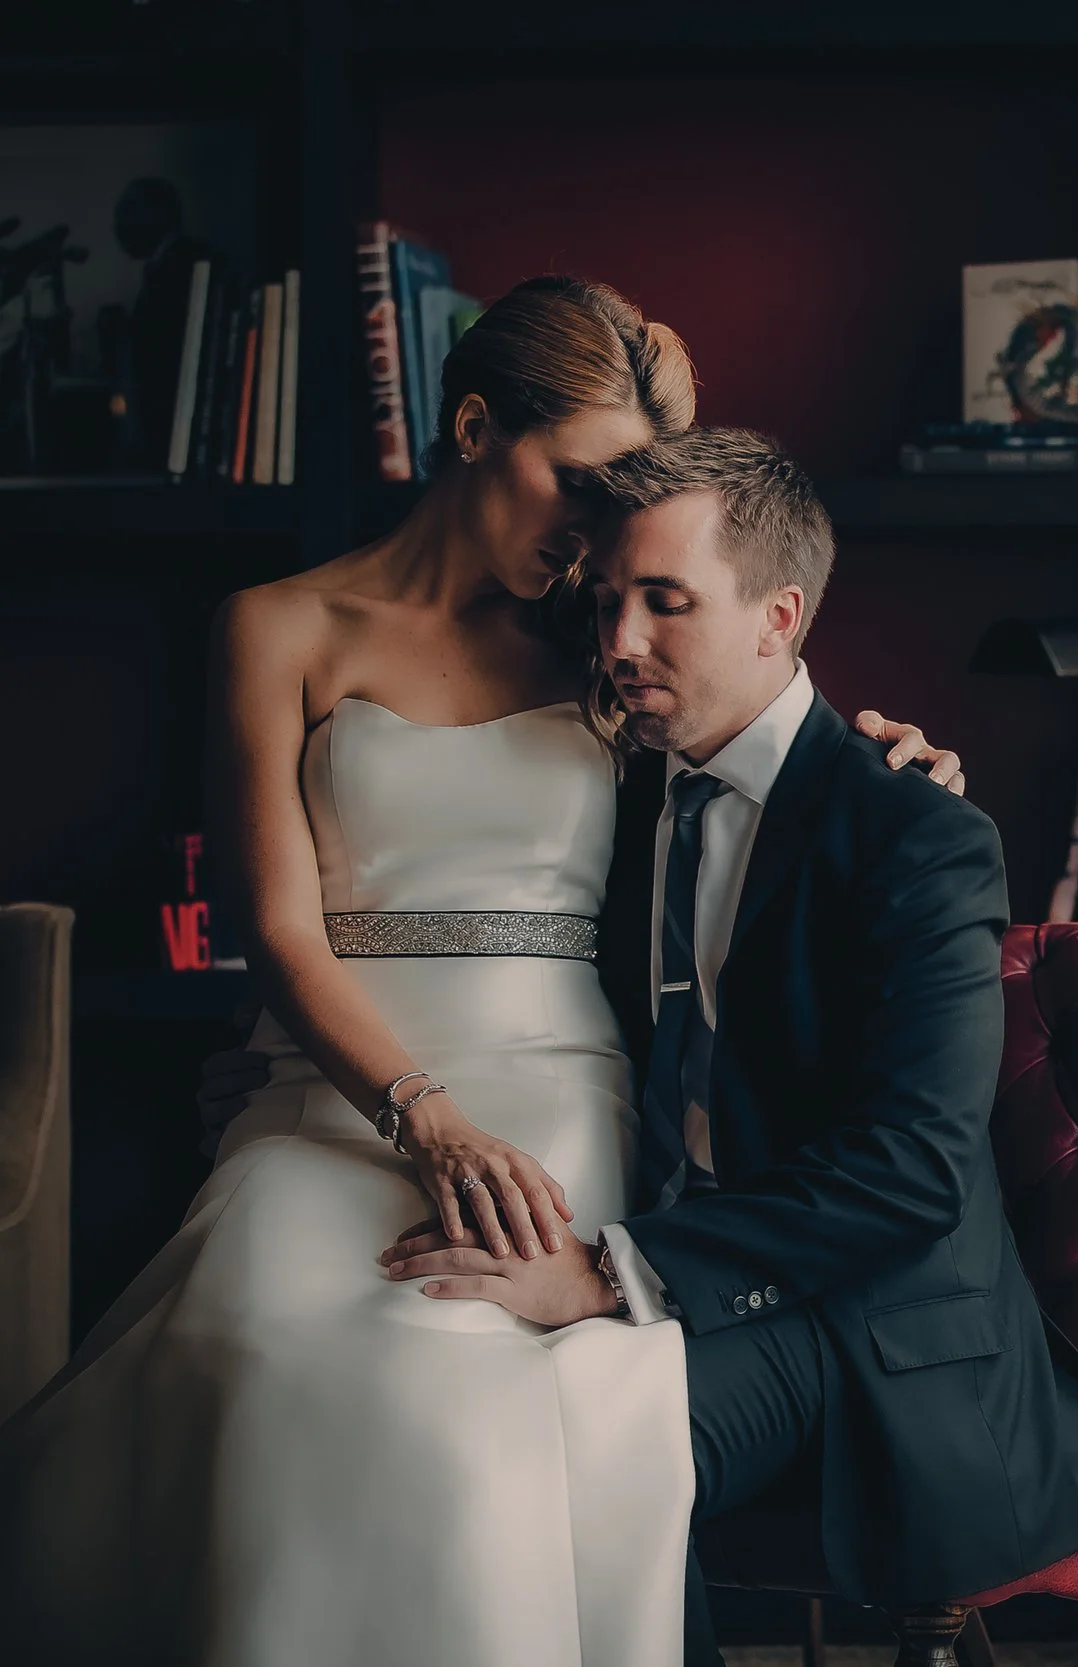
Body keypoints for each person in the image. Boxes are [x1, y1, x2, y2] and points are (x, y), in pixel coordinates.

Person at [0, 277, 963, 1666]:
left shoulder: (604, 639)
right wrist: (424, 1112)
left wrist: (894, 769)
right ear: (469, 426)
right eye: (573, 478)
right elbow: (277, 926)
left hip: (558, 1095)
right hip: (341, 1097)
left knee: (462, 1375)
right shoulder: (277, 627)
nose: (591, 526)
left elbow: (768, 723)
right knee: (261, 1350)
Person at [374, 427, 1078, 1662]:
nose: (618, 640)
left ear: (778, 615)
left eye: (664, 602)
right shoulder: (625, 793)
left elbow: (908, 1172)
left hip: (866, 1314)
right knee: (426, 1403)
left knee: (591, 1435)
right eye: (606, 602)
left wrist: (607, 1271)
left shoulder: (916, 832)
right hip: (682, 1256)